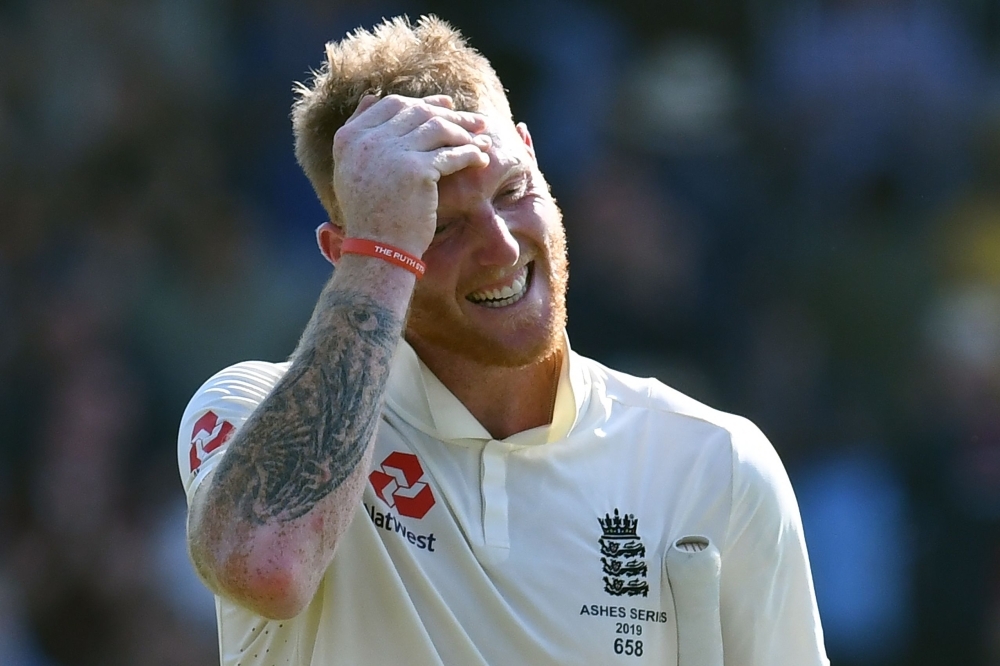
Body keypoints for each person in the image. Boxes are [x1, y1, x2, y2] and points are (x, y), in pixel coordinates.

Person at [177, 15, 828, 665]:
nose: (501, 244)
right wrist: (378, 254)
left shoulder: (718, 462)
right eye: (438, 225)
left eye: (512, 189)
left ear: (534, 157)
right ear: (349, 254)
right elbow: (266, 565)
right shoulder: (245, 410)